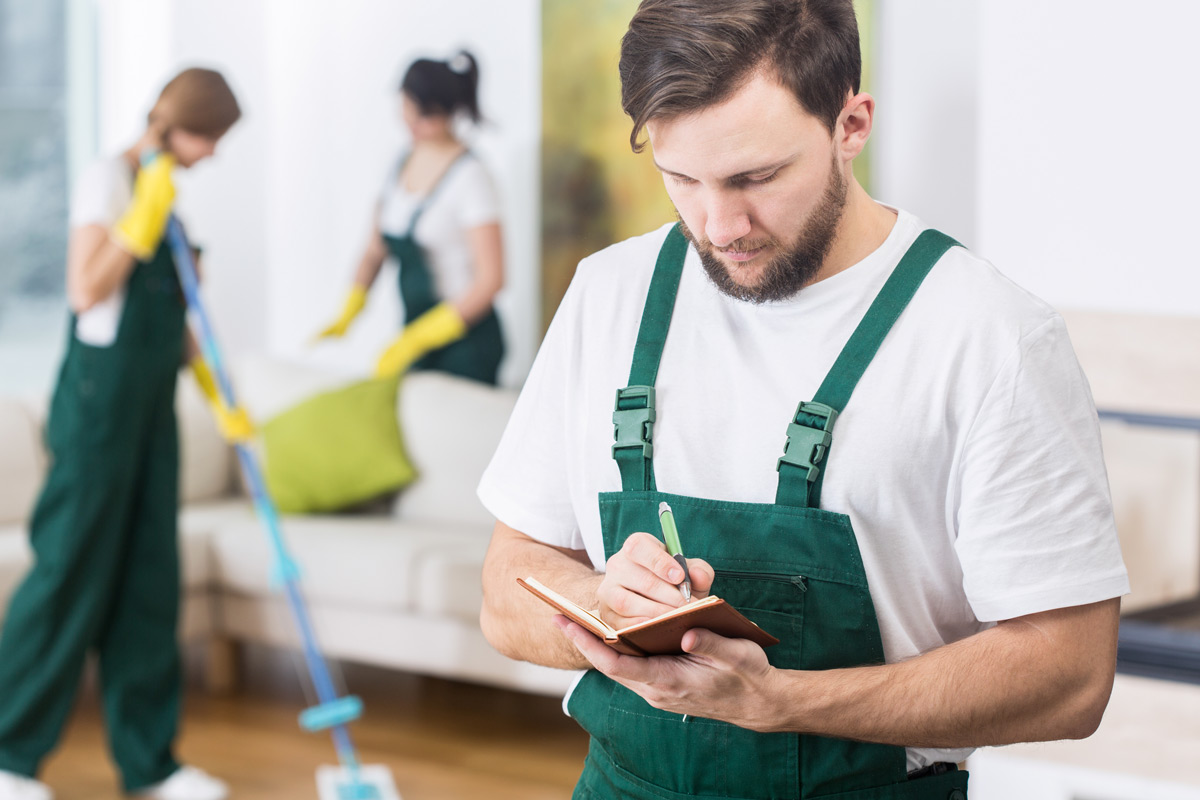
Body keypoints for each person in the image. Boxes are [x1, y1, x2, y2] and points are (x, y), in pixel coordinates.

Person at [477, 1, 1129, 797]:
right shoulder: (609, 294)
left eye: (756, 177)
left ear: (851, 125)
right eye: (681, 179)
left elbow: (1071, 676)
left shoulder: (989, 337)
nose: (719, 225)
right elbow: (503, 591)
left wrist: (779, 701)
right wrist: (601, 606)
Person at [0, 68, 251, 800]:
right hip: (98, 404)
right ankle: (9, 754)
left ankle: (151, 765)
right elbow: (85, 289)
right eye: (211, 137)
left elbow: (185, 324)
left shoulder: (170, 203)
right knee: (68, 570)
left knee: (150, 582)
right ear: (178, 125)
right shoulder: (107, 179)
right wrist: (136, 223)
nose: (213, 154)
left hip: (151, 407)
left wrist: (220, 395)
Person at [315, 50, 506, 386]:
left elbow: (491, 280)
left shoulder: (472, 177)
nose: (414, 123)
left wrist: (420, 338)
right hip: (416, 332)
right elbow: (376, 248)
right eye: (408, 110)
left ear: (448, 113)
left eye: (427, 116)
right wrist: (351, 305)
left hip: (466, 345)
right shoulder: (397, 164)